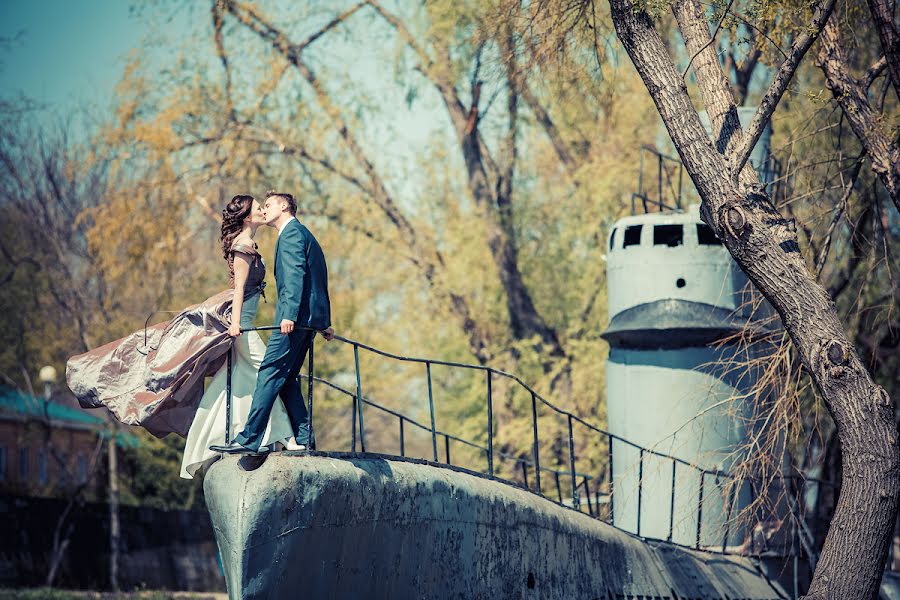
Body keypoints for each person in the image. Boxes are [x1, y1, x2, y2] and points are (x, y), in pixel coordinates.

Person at [180, 195, 298, 478]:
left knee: (235, 380)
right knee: (269, 371)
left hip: (244, 323)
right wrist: (235, 325)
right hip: (242, 326)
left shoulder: (250, 243)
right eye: (258, 208)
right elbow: (239, 289)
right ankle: (287, 437)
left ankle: (210, 441)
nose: (262, 211)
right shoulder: (243, 246)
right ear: (247, 217)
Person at [212, 191, 334, 454]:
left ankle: (249, 439)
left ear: (284, 206)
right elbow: (318, 278)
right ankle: (303, 438)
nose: (264, 210)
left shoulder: (291, 234)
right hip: (307, 322)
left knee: (269, 372)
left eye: (268, 205)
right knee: (288, 378)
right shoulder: (302, 233)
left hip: (293, 321)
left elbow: (296, 277)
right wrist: (322, 322)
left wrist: (288, 314)